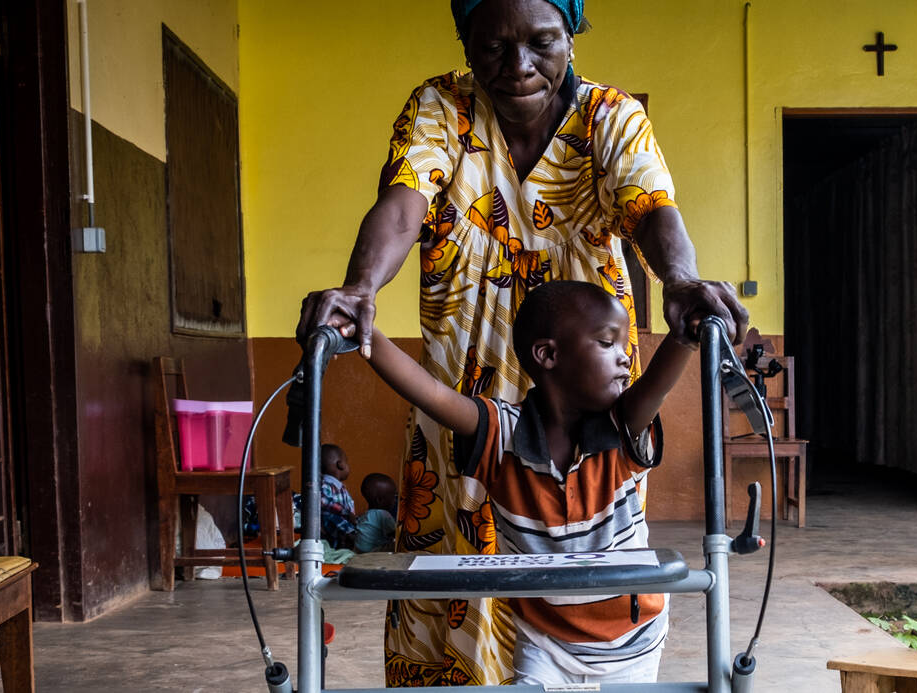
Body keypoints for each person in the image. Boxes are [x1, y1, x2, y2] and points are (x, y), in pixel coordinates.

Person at [296, 0, 746, 684]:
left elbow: (653, 207)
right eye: (492, 47)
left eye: (542, 42)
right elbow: (402, 202)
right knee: (450, 556)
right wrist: (361, 288)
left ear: (573, 34)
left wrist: (680, 280)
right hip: (465, 383)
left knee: (583, 556)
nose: (518, 67)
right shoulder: (441, 107)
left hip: (582, 374)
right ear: (466, 42)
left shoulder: (610, 118)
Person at [361, 280, 692, 684]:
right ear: (549, 354)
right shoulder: (502, 434)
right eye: (608, 344)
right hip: (545, 641)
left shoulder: (619, 428)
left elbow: (655, 387)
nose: (626, 360)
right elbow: (431, 394)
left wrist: (686, 337)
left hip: (631, 641)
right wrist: (363, 330)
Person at [351, 473, 401, 553]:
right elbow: (396, 534)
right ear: (380, 500)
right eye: (394, 496)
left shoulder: (366, 514)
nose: (395, 500)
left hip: (358, 550)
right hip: (372, 551)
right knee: (396, 545)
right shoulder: (383, 515)